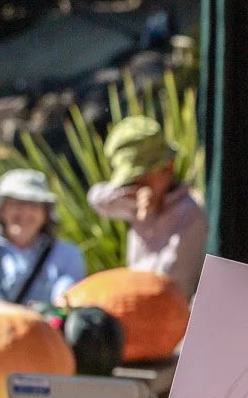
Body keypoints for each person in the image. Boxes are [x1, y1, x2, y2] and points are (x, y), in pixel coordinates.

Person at [87, 116, 209, 303]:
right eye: (131, 180)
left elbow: (173, 283)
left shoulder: (191, 213)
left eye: (140, 177)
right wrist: (132, 196)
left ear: (167, 168)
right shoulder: (133, 203)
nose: (137, 184)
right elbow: (97, 199)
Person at [0, 168, 86, 315]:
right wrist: (31, 317)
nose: (25, 213)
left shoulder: (68, 253)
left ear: (46, 213)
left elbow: (68, 297)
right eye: (17, 203)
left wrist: (56, 311)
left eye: (33, 205)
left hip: (52, 335)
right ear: (1, 210)